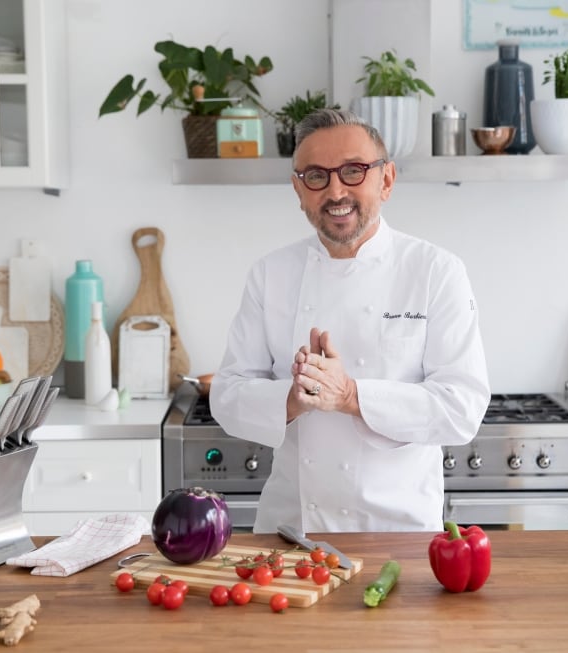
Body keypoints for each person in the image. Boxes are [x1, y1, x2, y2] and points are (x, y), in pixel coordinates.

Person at [209, 108, 490, 533]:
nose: (335, 190)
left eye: (353, 171)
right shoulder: (271, 274)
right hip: (291, 534)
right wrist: (292, 399)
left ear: (387, 180)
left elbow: (462, 409)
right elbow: (226, 396)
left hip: (399, 534)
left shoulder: (435, 272)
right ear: (298, 189)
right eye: (316, 176)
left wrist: (350, 396)